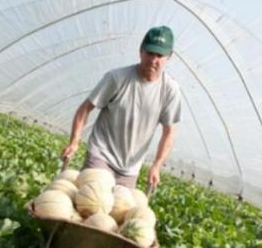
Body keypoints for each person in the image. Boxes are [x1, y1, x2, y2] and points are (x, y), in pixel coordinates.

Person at [61, 25, 181, 190]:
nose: (153, 60)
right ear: (141, 51)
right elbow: (85, 108)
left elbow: (169, 132)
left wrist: (157, 165)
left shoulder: (170, 90)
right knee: (93, 202)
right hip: (101, 155)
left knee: (118, 211)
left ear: (169, 57)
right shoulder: (117, 78)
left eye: (160, 55)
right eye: (150, 53)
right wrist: (74, 142)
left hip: (130, 169)